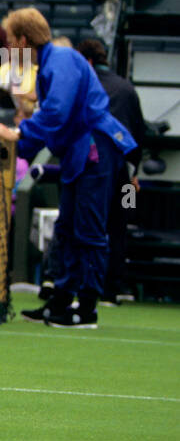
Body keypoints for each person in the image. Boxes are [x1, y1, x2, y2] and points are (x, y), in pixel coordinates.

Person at [0, 9, 137, 328]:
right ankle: (60, 302)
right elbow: (53, 122)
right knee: (67, 228)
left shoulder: (62, 60)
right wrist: (16, 145)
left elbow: (56, 113)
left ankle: (86, 310)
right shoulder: (50, 64)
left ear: (23, 40)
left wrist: (19, 134)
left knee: (90, 231)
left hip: (96, 150)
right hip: (77, 154)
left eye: (10, 41)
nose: (8, 48)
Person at [77, 37, 147, 303]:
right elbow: (138, 132)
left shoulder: (85, 86)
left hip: (94, 170)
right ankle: (117, 286)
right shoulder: (127, 88)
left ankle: (83, 284)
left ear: (88, 61)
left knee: (93, 225)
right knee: (121, 223)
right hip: (127, 176)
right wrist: (134, 172)